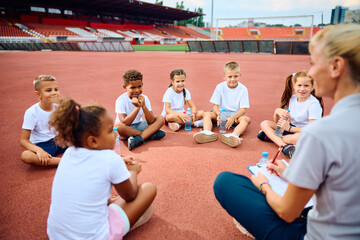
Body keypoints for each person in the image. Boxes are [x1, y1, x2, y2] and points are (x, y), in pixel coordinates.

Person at [213, 24, 360, 240]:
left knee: (225, 182)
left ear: (336, 66)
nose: (310, 72)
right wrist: (290, 174)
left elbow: (287, 211)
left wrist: (263, 185)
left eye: (313, 63)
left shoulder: (321, 133)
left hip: (315, 234)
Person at [47, 98, 157, 240]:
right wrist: (133, 171)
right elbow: (130, 195)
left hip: (56, 235)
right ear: (92, 141)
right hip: (96, 236)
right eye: (111, 131)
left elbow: (90, 168)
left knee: (103, 196)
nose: (116, 134)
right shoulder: (110, 159)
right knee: (148, 189)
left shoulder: (69, 153)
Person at [257, 70, 324, 157]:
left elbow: (312, 128)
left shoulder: (313, 104)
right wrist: (277, 112)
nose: (302, 89)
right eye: (299, 85)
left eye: (306, 86)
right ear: (294, 86)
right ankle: (285, 147)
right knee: (264, 123)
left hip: (305, 132)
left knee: (296, 138)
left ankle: (274, 138)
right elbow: (278, 123)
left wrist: (289, 128)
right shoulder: (292, 99)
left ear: (312, 87)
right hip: (290, 129)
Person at [193, 61, 251, 147]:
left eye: (236, 76)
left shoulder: (243, 89)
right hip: (221, 113)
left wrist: (233, 117)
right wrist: (218, 114)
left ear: (240, 75)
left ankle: (234, 135)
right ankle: (207, 132)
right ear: (224, 77)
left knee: (246, 120)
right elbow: (215, 106)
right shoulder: (219, 87)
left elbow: (243, 110)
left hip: (235, 116)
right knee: (206, 114)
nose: (233, 79)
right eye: (230, 76)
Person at [20, 75, 66, 166]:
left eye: (56, 89)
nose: (54, 93)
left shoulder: (59, 107)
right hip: (43, 145)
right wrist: (39, 150)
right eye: (49, 90)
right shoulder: (32, 112)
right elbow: (23, 140)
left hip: (59, 141)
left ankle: (55, 160)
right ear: (38, 94)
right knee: (26, 156)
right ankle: (63, 162)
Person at [115, 70, 165, 150]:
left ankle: (138, 139)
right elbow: (125, 122)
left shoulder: (145, 98)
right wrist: (137, 108)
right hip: (126, 130)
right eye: (132, 87)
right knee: (117, 126)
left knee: (161, 119)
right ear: (125, 87)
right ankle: (148, 134)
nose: (137, 90)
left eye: (139, 86)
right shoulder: (120, 100)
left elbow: (151, 121)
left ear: (142, 85)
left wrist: (143, 106)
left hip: (139, 125)